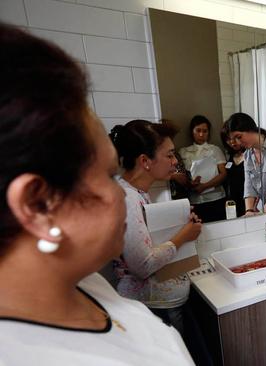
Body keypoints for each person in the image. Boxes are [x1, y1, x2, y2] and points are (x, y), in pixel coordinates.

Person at [0, 23, 193, 365]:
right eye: (108, 176)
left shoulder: (85, 284)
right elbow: (143, 263)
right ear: (38, 205)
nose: (120, 193)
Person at [109, 120, 212, 365]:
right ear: (145, 161)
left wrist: (181, 227)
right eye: (169, 155)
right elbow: (142, 265)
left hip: (165, 305)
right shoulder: (127, 199)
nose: (175, 161)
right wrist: (183, 236)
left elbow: (146, 241)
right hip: (154, 310)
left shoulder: (139, 195)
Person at [178, 115, 228, 222]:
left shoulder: (214, 149)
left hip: (216, 198)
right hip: (194, 200)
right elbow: (182, 175)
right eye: (198, 130)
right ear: (192, 131)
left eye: (205, 131)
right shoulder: (184, 152)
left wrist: (204, 186)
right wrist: (191, 184)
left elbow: (223, 174)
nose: (201, 134)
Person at [220, 124, 246, 217]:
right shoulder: (230, 156)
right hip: (232, 202)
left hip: (247, 200)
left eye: (235, 138)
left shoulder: (250, 156)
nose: (232, 142)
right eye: (228, 139)